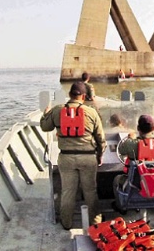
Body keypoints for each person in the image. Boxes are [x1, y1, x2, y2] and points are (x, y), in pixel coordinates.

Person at [40, 81, 107, 230]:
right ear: (83, 96)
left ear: (69, 95)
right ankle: (95, 224)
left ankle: (66, 223)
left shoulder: (58, 110)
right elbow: (101, 139)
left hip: (66, 158)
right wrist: (100, 155)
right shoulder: (91, 112)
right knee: (90, 191)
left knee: (68, 192)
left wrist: (45, 114)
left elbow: (45, 127)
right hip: (88, 158)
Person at [112, 115, 154, 209]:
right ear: (153, 128)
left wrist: (130, 138)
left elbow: (121, 150)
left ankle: (120, 206)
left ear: (138, 128)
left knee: (116, 180)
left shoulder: (131, 144)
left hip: (135, 184)